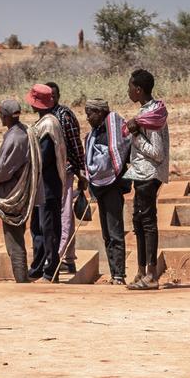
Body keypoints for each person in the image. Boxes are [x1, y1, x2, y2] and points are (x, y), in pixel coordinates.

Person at [23, 82, 84, 280]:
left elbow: (44, 156)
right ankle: (39, 267)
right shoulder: (45, 121)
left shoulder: (49, 124)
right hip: (41, 184)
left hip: (48, 184)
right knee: (39, 227)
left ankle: (51, 269)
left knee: (49, 228)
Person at [123, 68, 170, 289]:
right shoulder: (147, 112)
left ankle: (151, 274)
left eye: (131, 87)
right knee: (139, 222)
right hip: (140, 173)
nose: (128, 91)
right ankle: (141, 271)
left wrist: (135, 136)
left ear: (139, 90)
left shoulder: (151, 117)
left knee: (147, 222)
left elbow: (157, 152)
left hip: (149, 174)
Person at [0, 99, 34, 282]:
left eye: (1, 114)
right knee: (17, 236)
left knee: (14, 243)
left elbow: (4, 169)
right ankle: (22, 278)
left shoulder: (15, 138)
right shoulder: (22, 131)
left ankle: (22, 281)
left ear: (5, 116)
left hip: (12, 195)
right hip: (20, 194)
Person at [82, 96, 130, 284]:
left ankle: (119, 275)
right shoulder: (95, 132)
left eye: (90, 114)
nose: (87, 118)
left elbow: (119, 153)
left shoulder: (116, 131)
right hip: (99, 186)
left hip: (113, 186)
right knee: (106, 233)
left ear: (100, 112)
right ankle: (114, 272)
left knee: (115, 231)